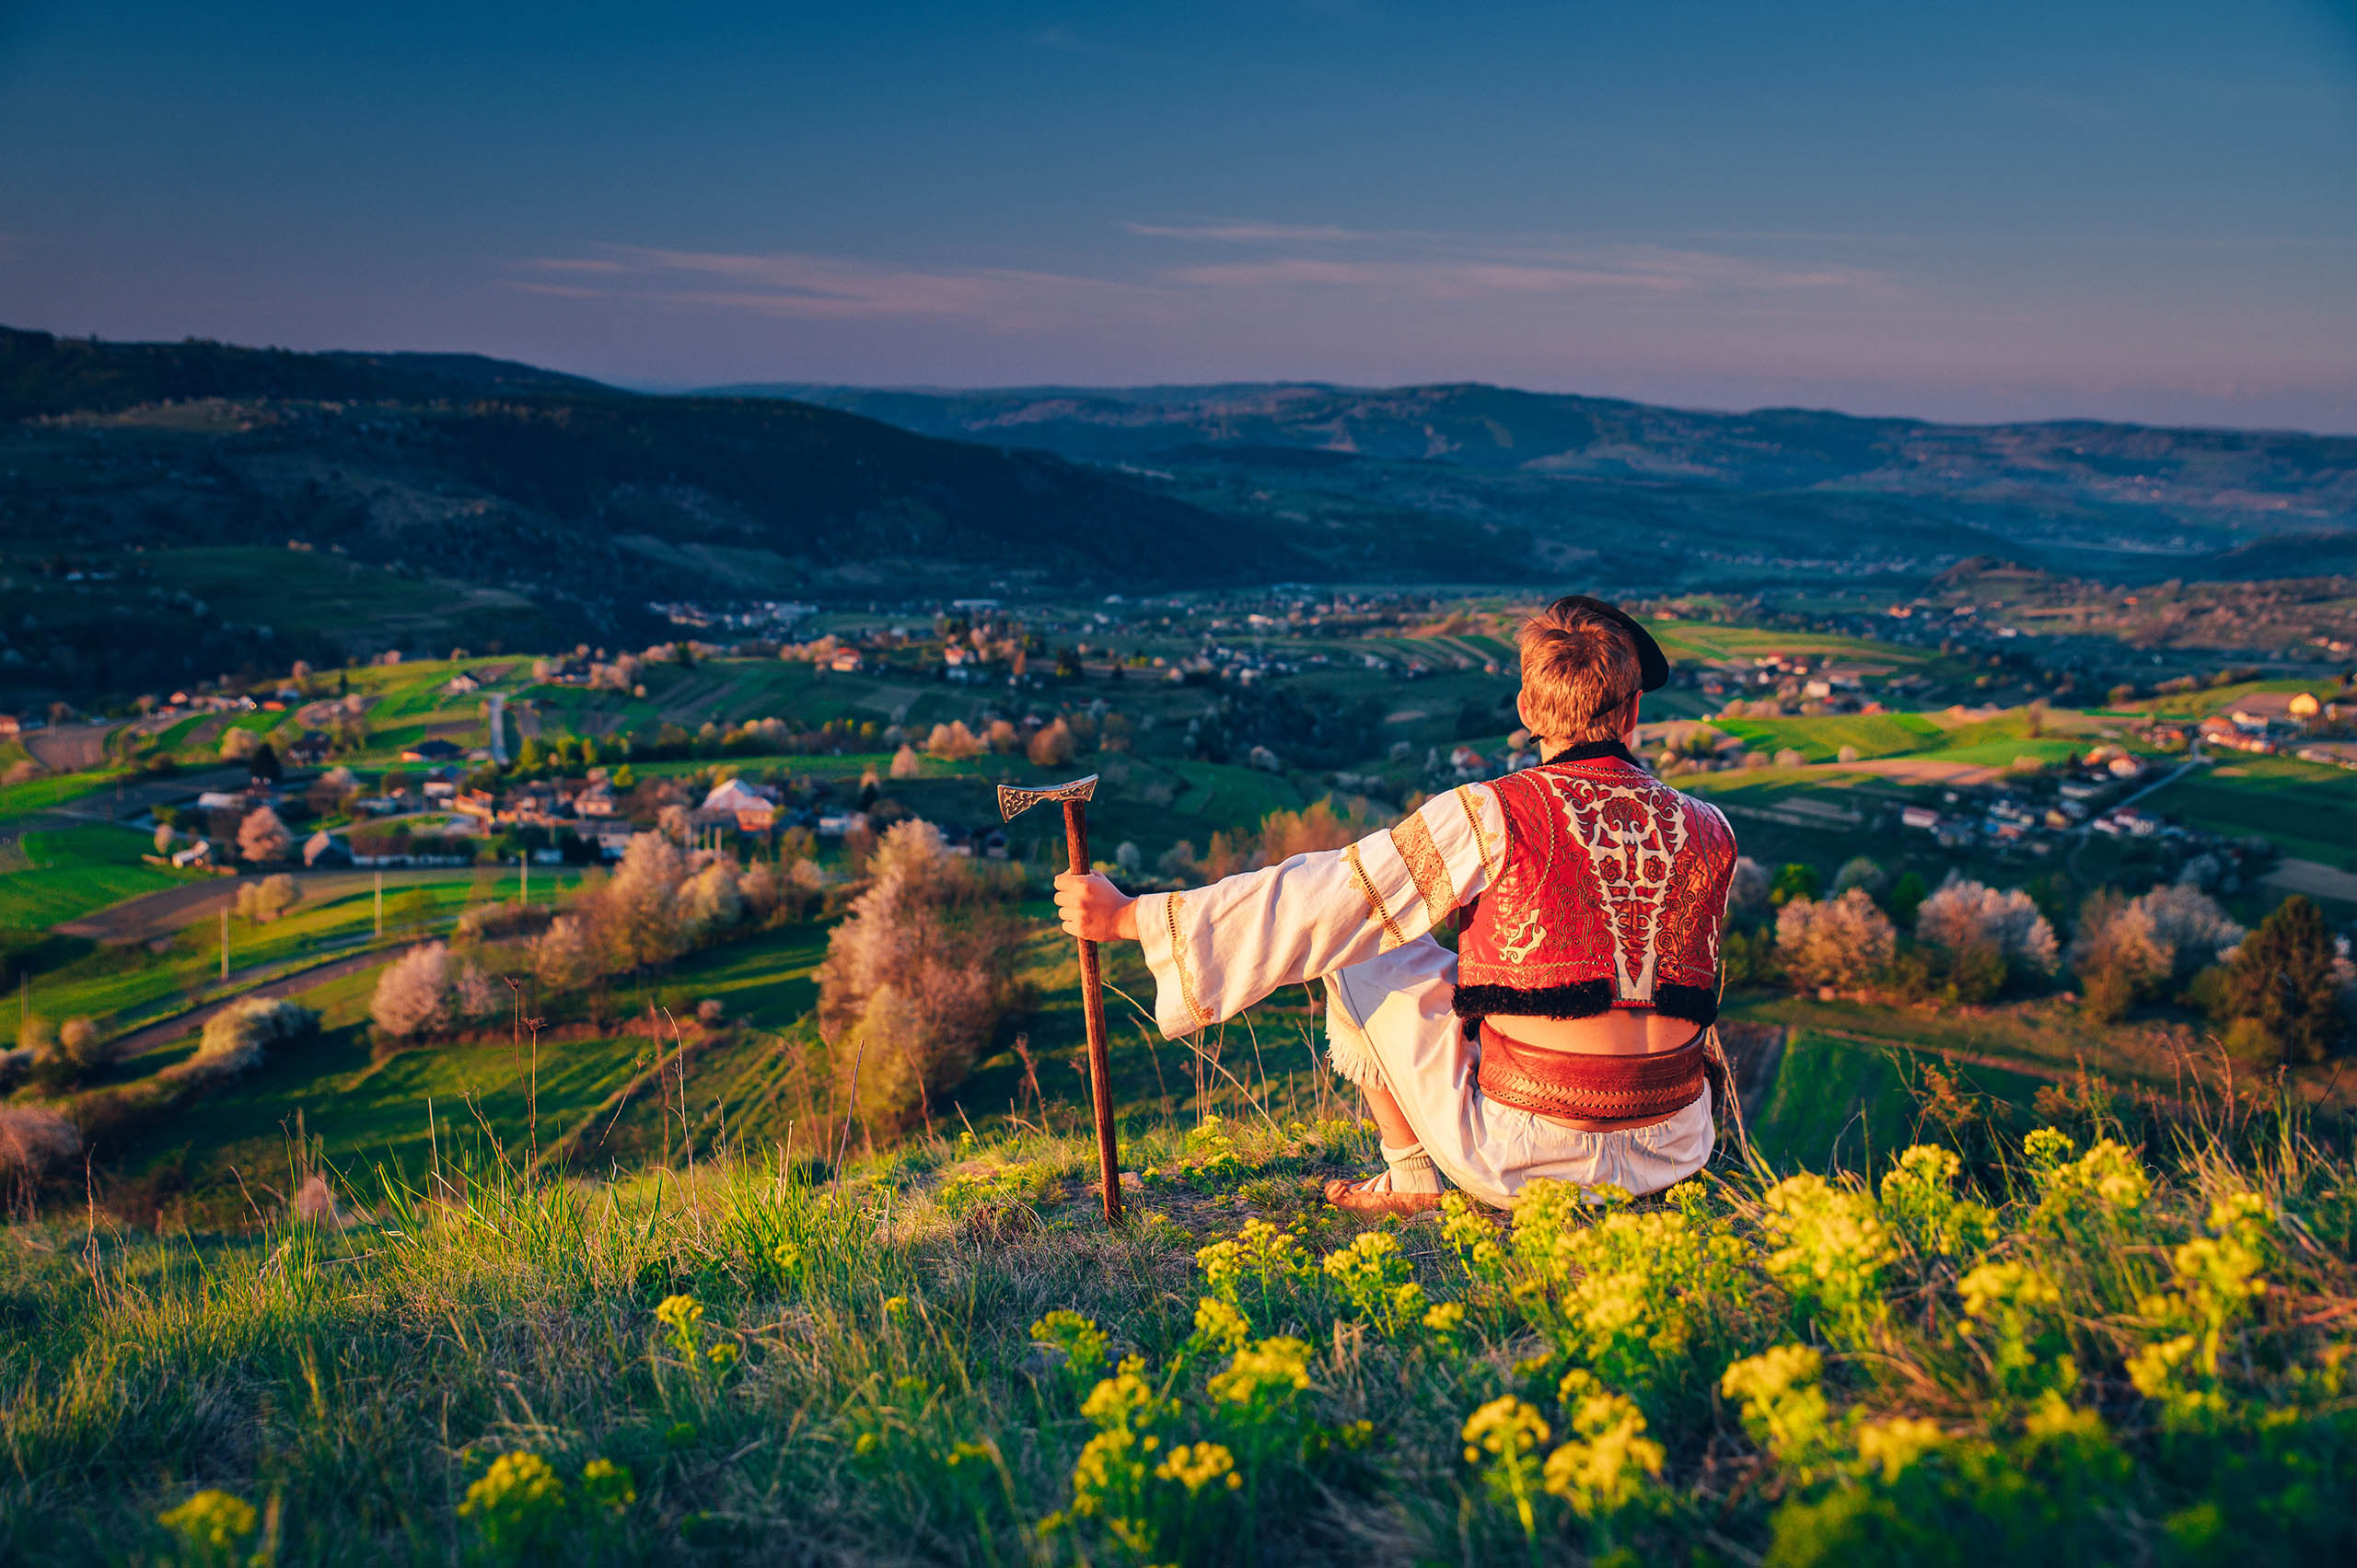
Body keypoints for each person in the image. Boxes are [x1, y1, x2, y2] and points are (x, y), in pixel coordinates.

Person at [1053, 595, 1740, 1214]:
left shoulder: (1491, 813)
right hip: (1675, 1148)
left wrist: (1129, 916)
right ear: (1633, 712)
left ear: (1528, 709)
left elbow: (1322, 898)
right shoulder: (1713, 829)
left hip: (1525, 1159)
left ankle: (1411, 1176)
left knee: (1353, 934)